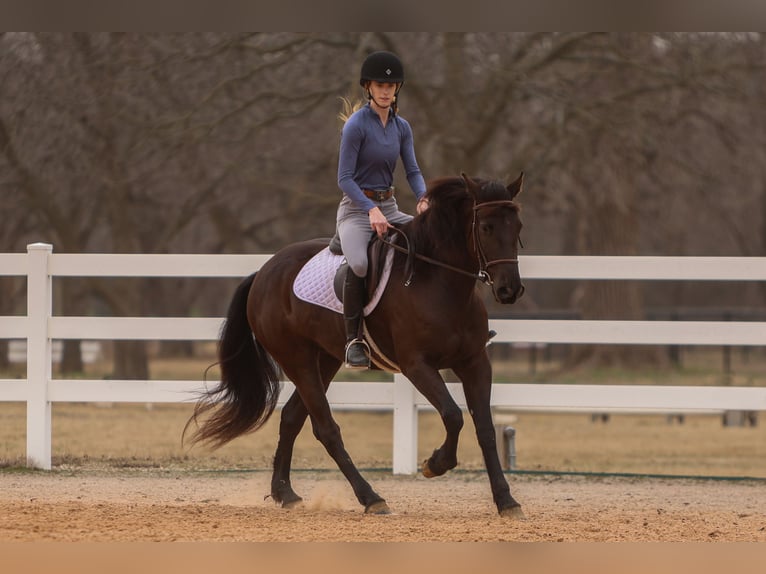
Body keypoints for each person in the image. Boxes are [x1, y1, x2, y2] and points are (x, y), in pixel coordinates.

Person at [336, 50, 429, 369]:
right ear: (368, 87)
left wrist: (422, 197)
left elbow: (413, 171)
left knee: (429, 241)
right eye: (380, 84)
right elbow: (344, 179)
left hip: (389, 206)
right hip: (355, 210)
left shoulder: (402, 127)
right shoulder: (356, 127)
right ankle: (353, 341)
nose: (386, 90)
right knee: (360, 264)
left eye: (391, 85)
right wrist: (370, 211)